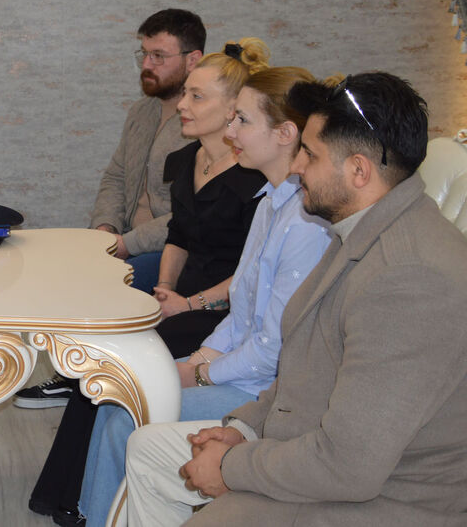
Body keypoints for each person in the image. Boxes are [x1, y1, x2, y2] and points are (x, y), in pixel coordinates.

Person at [123, 72, 467, 527]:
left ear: (359, 170)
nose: (298, 166)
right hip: (314, 448)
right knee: (148, 450)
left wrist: (232, 467)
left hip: (385, 499)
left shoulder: (409, 280)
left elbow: (350, 467)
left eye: (311, 154)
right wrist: (242, 428)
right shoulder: (359, 229)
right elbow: (302, 368)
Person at [77, 66, 332, 527]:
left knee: (125, 416)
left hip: (265, 392)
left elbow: (274, 350)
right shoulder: (271, 202)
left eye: (242, 121)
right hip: (241, 369)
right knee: (120, 394)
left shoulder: (306, 224)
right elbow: (241, 311)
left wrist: (201, 374)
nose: (231, 132)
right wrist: (197, 360)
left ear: (284, 134)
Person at [29, 40, 269, 525]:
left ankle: (87, 499)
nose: (182, 105)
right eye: (186, 95)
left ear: (232, 110)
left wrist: (188, 304)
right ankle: (70, 495)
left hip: (222, 310)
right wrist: (163, 289)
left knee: (121, 366)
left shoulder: (254, 182)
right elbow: (178, 235)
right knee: (105, 361)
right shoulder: (186, 161)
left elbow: (251, 275)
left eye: (196, 97)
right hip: (183, 297)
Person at [18, 8, 205, 410]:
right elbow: (116, 178)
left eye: (159, 56)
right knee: (51, 262)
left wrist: (125, 245)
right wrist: (104, 229)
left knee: (95, 286)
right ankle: (77, 372)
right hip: (126, 239)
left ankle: (82, 380)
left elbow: (189, 216)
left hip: (173, 251)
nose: (147, 65)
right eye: (144, 54)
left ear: (193, 60)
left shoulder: (202, 125)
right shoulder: (142, 112)